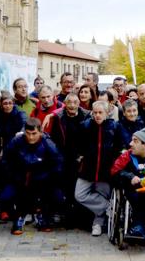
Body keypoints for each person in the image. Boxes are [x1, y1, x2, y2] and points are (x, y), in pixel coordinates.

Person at [2, 118, 63, 235]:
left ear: (40, 132)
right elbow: (6, 159)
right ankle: (19, 217)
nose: (31, 137)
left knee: (56, 196)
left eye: (34, 134)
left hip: (42, 178)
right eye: (28, 134)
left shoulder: (48, 143)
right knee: (7, 195)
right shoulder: (17, 141)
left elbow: (58, 163)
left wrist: (49, 178)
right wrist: (13, 175)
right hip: (20, 177)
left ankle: (42, 215)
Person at [75, 101, 124, 236]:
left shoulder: (115, 127)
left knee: (102, 194)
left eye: (100, 112)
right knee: (79, 194)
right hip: (87, 170)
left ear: (107, 113)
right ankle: (109, 207)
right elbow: (78, 146)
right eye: (94, 112)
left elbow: (121, 147)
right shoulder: (85, 126)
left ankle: (97, 224)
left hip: (106, 171)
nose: (97, 115)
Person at [47, 93, 89, 228]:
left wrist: (83, 154)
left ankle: (79, 217)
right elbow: (53, 138)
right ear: (65, 104)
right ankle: (67, 216)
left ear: (79, 104)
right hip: (63, 157)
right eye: (69, 102)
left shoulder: (86, 116)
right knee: (65, 188)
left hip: (80, 158)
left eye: (75, 102)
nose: (72, 105)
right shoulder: (59, 118)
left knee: (77, 188)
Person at [0, 93, 26, 220]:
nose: (7, 106)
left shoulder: (20, 114)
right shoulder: (0, 116)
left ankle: (18, 211)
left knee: (17, 182)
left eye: (10, 103)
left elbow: (24, 126)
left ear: (14, 104)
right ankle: (4, 209)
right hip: (4, 152)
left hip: (18, 151)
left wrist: (20, 133)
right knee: (3, 181)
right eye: (5, 103)